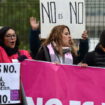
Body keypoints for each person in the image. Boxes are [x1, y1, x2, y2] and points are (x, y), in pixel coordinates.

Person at [0, 26, 32, 105]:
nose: (12, 38)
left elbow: (35, 68)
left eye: (14, 35)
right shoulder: (1, 51)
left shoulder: (23, 53)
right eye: (8, 36)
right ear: (2, 39)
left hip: (19, 94)